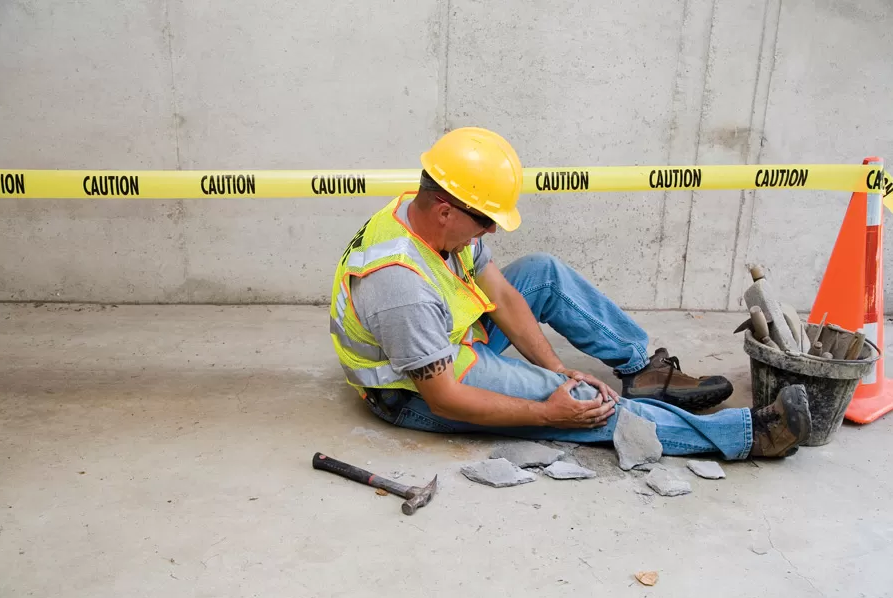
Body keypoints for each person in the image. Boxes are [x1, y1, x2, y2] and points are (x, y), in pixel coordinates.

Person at [328, 127, 812, 460]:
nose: (492, 230)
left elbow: (506, 294)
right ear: (444, 210)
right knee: (580, 404)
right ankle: (748, 437)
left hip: (446, 337)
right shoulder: (399, 287)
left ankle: (640, 369)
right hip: (415, 391)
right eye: (485, 220)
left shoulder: (429, 221)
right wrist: (547, 408)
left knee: (542, 273)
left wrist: (555, 366)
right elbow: (445, 399)